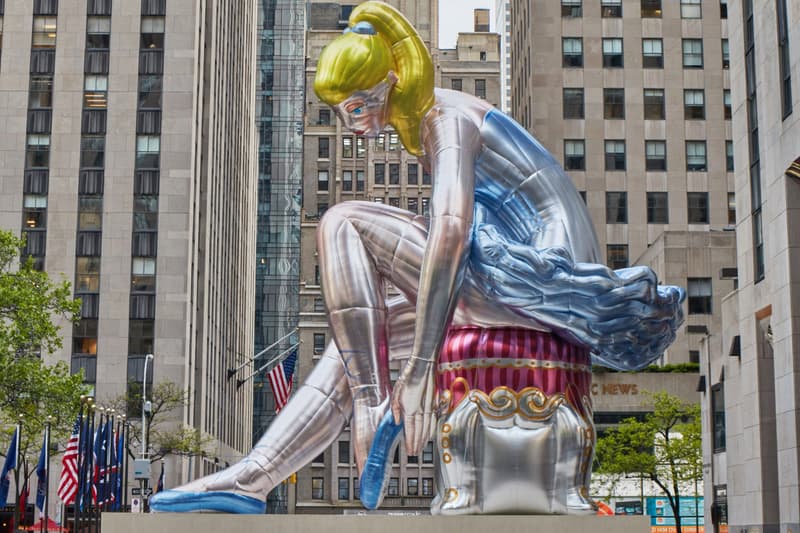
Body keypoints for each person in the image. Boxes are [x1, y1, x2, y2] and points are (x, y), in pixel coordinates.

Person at [150, 1, 684, 514]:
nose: (350, 124)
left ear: (391, 82)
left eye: (357, 106)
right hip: (522, 286)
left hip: (535, 280)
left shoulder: (445, 118)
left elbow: (451, 231)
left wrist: (419, 368)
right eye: (340, 113)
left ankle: (370, 402)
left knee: (342, 223)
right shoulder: (430, 122)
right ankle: (254, 477)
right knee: (361, 336)